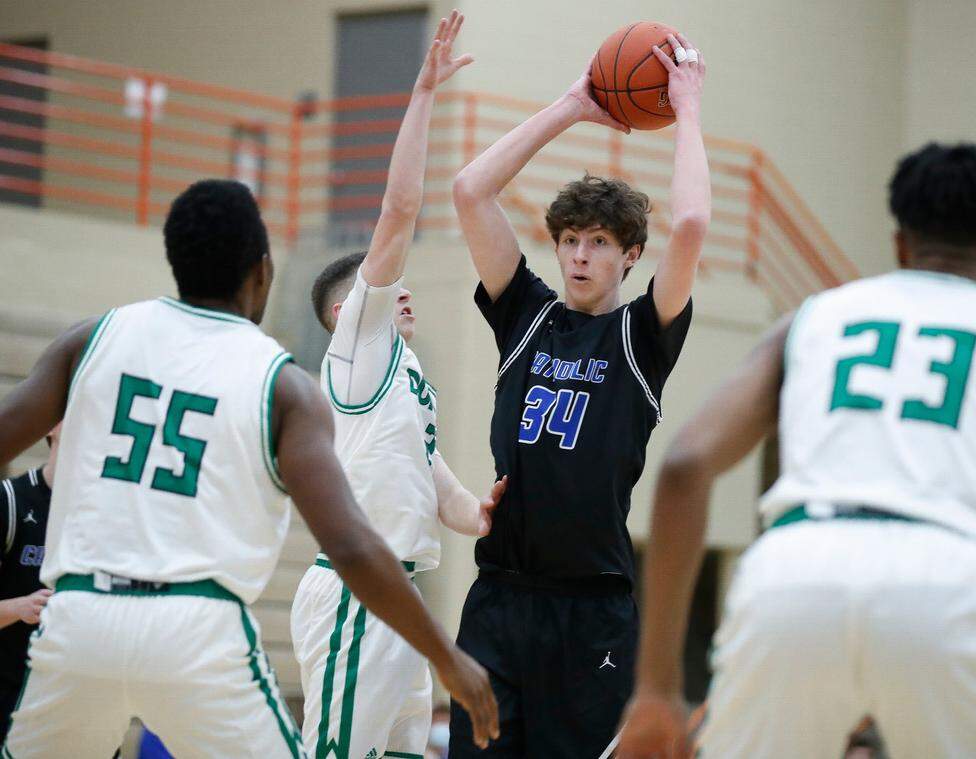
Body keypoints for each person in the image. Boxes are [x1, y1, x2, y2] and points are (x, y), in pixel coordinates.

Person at [619, 142, 976, 758]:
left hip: (792, 572)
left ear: (899, 242)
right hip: (952, 585)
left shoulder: (808, 321)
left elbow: (683, 468)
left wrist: (655, 689)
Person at [0, 178, 498, 756]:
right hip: (195, 624)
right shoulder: (280, 379)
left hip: (81, 615)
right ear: (262, 272)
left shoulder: (91, 339)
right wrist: (448, 655)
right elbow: (353, 547)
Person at [449, 33, 709, 758]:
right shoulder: (525, 314)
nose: (579, 255)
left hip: (592, 613)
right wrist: (572, 106)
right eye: (568, 240)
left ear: (630, 254)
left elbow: (689, 224)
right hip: (498, 600)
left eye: (597, 242)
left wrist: (686, 111)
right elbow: (470, 189)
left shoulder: (640, 335)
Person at [291, 12, 504, 759]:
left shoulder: (403, 378)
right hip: (357, 596)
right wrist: (422, 94)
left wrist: (476, 513)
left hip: (400, 598)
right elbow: (400, 210)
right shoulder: (356, 347)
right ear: (347, 313)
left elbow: (435, 479)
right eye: (381, 286)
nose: (399, 289)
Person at [0, 425, 57, 742]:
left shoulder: (111, 516)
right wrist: (20, 607)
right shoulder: (10, 501)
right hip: (9, 702)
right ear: (54, 427)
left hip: (74, 703)